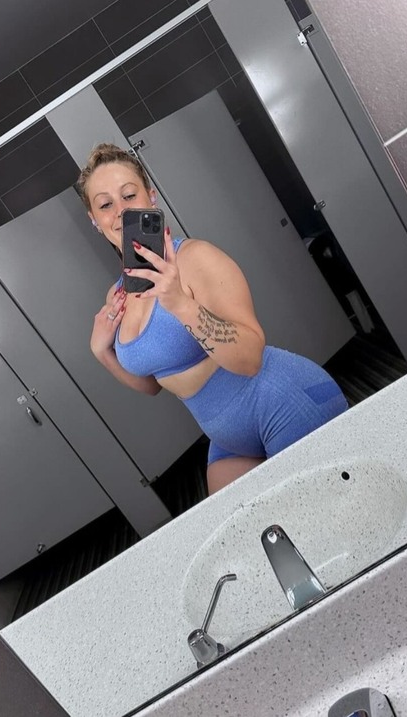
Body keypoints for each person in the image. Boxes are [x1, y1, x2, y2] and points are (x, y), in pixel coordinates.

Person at [78, 143, 348, 494]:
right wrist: (101, 351)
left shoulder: (196, 258)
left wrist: (179, 302)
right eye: (105, 204)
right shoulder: (117, 295)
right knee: (245, 525)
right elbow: (153, 384)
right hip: (227, 438)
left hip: (282, 401)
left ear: (151, 197)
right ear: (94, 221)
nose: (121, 211)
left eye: (129, 195)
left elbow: (250, 359)